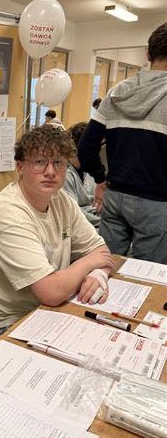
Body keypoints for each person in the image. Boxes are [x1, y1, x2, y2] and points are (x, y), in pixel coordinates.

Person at [0, 125, 114, 339]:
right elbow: (51, 292)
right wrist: (89, 263)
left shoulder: (61, 200)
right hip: (13, 320)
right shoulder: (9, 215)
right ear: (20, 167)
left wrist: (99, 274)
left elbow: (102, 252)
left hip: (52, 306)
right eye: (39, 162)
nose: (50, 172)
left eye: (58, 162)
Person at [78, 22, 167, 263]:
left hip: (114, 196)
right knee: (147, 276)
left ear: (148, 54)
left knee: (104, 267)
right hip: (157, 203)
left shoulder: (116, 92)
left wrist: (100, 180)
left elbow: (85, 148)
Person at [63, 122, 100, 229]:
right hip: (80, 226)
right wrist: (103, 222)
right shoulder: (65, 174)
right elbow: (73, 212)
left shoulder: (90, 171)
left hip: (95, 221)